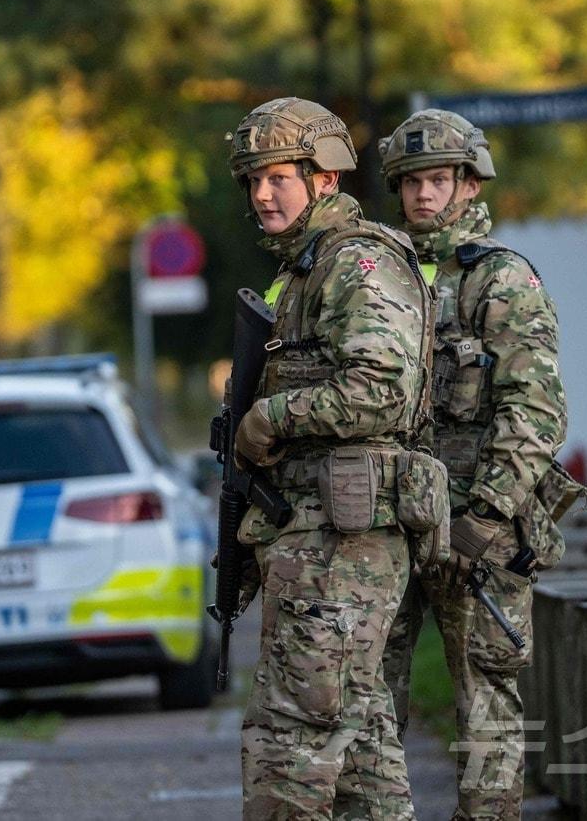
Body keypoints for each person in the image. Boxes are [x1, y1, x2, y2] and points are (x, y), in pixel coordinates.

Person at [227, 97, 442, 819]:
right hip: (320, 544)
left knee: (289, 742)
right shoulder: (307, 270)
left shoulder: (356, 261)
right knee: (362, 755)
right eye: (251, 180)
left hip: (342, 548)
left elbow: (383, 386)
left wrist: (272, 414)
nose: (261, 194)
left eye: (278, 176)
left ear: (325, 177)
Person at [377, 110, 571, 820]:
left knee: (487, 707)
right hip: (390, 525)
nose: (424, 196)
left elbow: (536, 413)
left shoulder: (502, 280)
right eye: (411, 182)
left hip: (478, 533)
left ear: (466, 183)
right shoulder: (380, 279)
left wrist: (483, 518)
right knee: (367, 697)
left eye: (437, 180)